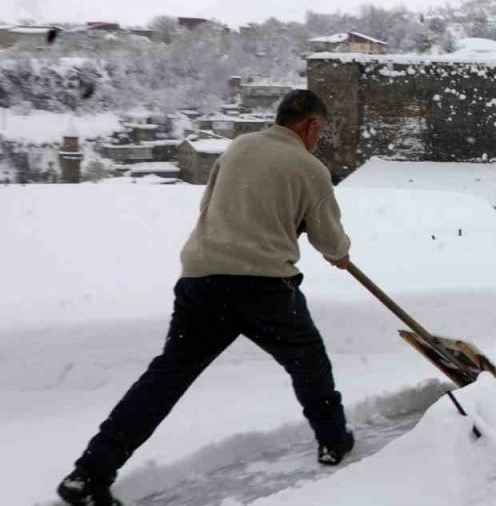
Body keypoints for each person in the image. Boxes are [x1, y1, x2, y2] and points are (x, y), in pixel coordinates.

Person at [58, 90, 355, 506]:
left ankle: (89, 473)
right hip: (264, 287)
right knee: (309, 362)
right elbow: (328, 238)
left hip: (202, 281)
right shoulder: (310, 168)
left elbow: (214, 207)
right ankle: (334, 440)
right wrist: (340, 252)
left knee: (165, 379)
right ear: (311, 125)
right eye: (320, 130)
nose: (319, 139)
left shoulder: (238, 148)